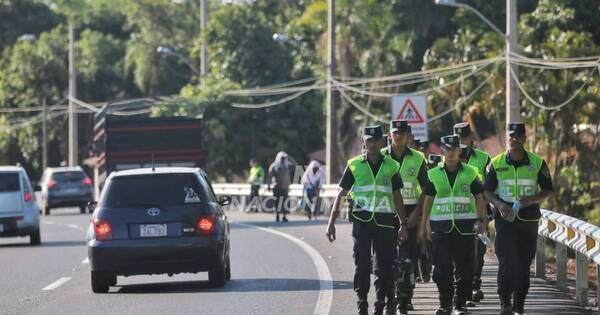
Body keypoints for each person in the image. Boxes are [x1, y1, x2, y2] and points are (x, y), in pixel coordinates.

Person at [326, 125, 408, 315]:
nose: (372, 144)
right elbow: (341, 195)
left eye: (375, 140)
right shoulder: (354, 165)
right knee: (362, 264)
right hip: (362, 223)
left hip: (385, 223)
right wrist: (331, 223)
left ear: (381, 142)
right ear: (363, 141)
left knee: (383, 266)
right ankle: (362, 302)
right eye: (368, 140)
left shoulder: (391, 166)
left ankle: (380, 304)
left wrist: (403, 224)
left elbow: (397, 196)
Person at [483, 123, 553, 315]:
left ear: (524, 138)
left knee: (523, 263)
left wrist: (531, 199)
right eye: (510, 136)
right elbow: (487, 191)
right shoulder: (496, 163)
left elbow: (548, 189)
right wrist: (499, 204)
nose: (513, 140)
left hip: (528, 221)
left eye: (517, 136)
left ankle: (519, 304)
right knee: (506, 261)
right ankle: (505, 303)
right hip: (505, 220)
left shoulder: (537, 163)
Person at [419, 135, 487, 315]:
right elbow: (428, 200)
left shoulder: (470, 172)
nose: (450, 152)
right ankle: (445, 304)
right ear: (442, 151)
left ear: (459, 151)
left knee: (465, 269)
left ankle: (459, 305)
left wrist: (481, 220)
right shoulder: (433, 174)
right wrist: (425, 222)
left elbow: (480, 197)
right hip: (440, 228)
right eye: (447, 149)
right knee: (442, 269)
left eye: (454, 149)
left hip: (465, 227)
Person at [381, 120, 429, 315]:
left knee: (407, 260)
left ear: (408, 136)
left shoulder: (418, 158)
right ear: (390, 135)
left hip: (410, 212)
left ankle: (404, 299)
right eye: (395, 133)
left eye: (402, 133)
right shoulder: (381, 156)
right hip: (385, 212)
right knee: (386, 259)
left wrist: (418, 212)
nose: (398, 136)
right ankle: (389, 299)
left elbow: (427, 188)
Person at [453, 122, 491, 306]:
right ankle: (461, 290)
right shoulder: (448, 158)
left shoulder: (484, 159)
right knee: (459, 255)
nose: (460, 142)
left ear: (471, 139)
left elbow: (491, 186)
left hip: (479, 214)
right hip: (456, 215)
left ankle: (475, 285)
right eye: (457, 138)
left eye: (464, 138)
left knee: (478, 252)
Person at [268, 151, 293, 222]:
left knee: (285, 202)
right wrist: (269, 185)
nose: (283, 159)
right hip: (276, 187)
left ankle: (284, 216)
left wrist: (289, 157)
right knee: (277, 202)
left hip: (285, 187)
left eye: (284, 158)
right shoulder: (274, 166)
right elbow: (270, 176)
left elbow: (295, 164)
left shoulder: (287, 165)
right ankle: (277, 215)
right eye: (282, 158)